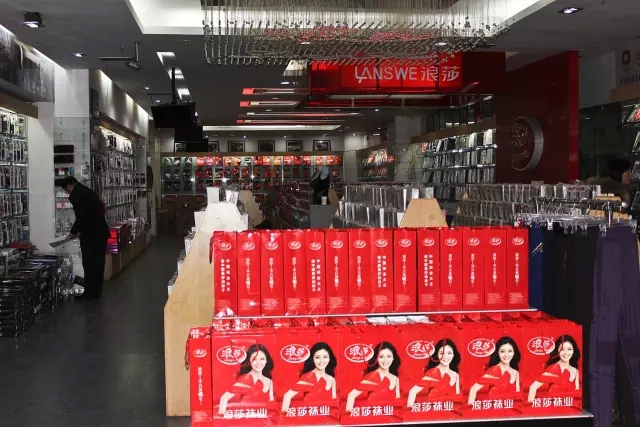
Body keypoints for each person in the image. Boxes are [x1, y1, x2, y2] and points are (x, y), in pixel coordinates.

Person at [61, 176, 110, 299]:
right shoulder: (87, 191)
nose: (68, 193)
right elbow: (93, 212)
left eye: (66, 190)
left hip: (91, 235)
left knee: (89, 263)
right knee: (98, 262)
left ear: (69, 186)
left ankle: (90, 292)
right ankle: (96, 290)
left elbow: (81, 215)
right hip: (100, 232)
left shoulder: (77, 194)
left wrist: (73, 232)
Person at [406, 338, 461, 408]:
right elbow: (412, 392)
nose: (445, 357)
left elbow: (457, 400)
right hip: (435, 411)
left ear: (453, 355)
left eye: (449, 353)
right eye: (441, 353)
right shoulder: (433, 373)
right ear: (437, 355)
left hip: (451, 412)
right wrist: (411, 412)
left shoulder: (455, 375)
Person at [467, 336, 521, 405]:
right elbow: (473, 389)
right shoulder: (493, 370)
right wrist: (471, 408)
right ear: (497, 353)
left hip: (510, 409)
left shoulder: (516, 373)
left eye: (510, 351)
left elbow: (517, 396)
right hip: (495, 408)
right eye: (502, 351)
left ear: (514, 353)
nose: (506, 355)